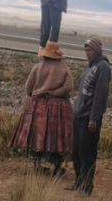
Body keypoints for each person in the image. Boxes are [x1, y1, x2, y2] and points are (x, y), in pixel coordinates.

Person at [10, 45, 74, 176]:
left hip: (38, 105)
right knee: (56, 137)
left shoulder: (37, 67)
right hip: (58, 107)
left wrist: (34, 95)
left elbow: (28, 87)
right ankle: (57, 166)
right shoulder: (63, 67)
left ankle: (37, 164)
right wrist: (56, 93)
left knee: (36, 136)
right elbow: (69, 86)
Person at [67, 38, 111, 196]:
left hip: (89, 118)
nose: (87, 53)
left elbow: (100, 96)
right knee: (77, 152)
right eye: (86, 50)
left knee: (87, 154)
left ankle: (86, 187)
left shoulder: (103, 67)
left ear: (97, 50)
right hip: (79, 115)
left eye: (90, 50)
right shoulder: (90, 65)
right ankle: (78, 182)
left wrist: (93, 119)